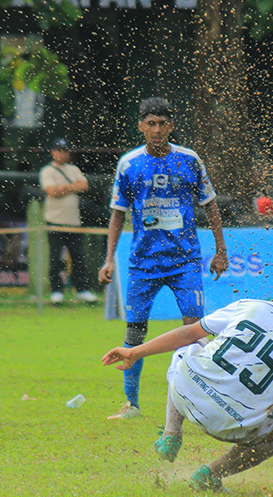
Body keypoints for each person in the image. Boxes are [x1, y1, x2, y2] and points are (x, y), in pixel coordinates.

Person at [102, 261, 273, 492]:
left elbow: (188, 332)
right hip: (232, 425)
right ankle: (209, 476)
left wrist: (134, 351)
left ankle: (171, 433)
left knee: (192, 341)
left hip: (186, 393)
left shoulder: (250, 306)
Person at [98, 97, 229, 420]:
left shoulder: (189, 160)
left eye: (163, 124)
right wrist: (109, 258)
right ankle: (131, 404)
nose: (157, 130)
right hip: (143, 264)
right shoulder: (129, 164)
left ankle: (200, 400)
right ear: (141, 126)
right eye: (151, 124)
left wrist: (220, 251)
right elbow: (118, 214)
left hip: (184, 261)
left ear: (171, 126)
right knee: (135, 333)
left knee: (195, 329)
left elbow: (210, 205)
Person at [40, 138, 98, 304]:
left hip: (73, 221)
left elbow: (84, 185)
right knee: (55, 258)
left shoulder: (73, 169)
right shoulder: (47, 171)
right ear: (53, 152)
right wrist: (72, 186)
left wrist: (63, 187)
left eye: (65, 150)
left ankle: (82, 289)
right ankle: (57, 291)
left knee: (78, 257)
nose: (62, 153)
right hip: (54, 220)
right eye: (59, 150)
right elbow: (52, 191)